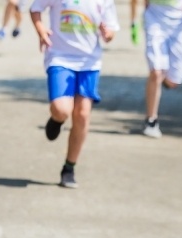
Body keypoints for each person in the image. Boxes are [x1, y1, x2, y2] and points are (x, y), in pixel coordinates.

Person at [30, 0, 119, 188]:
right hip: (60, 58)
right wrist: (41, 30)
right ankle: (57, 119)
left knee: (82, 115)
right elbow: (35, 8)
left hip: (89, 62)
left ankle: (69, 168)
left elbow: (111, 31)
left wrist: (107, 33)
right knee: (62, 110)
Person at [142, 0, 182, 139]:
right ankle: (151, 120)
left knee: (174, 81)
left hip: (180, 17)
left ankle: (164, 78)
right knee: (156, 72)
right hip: (155, 15)